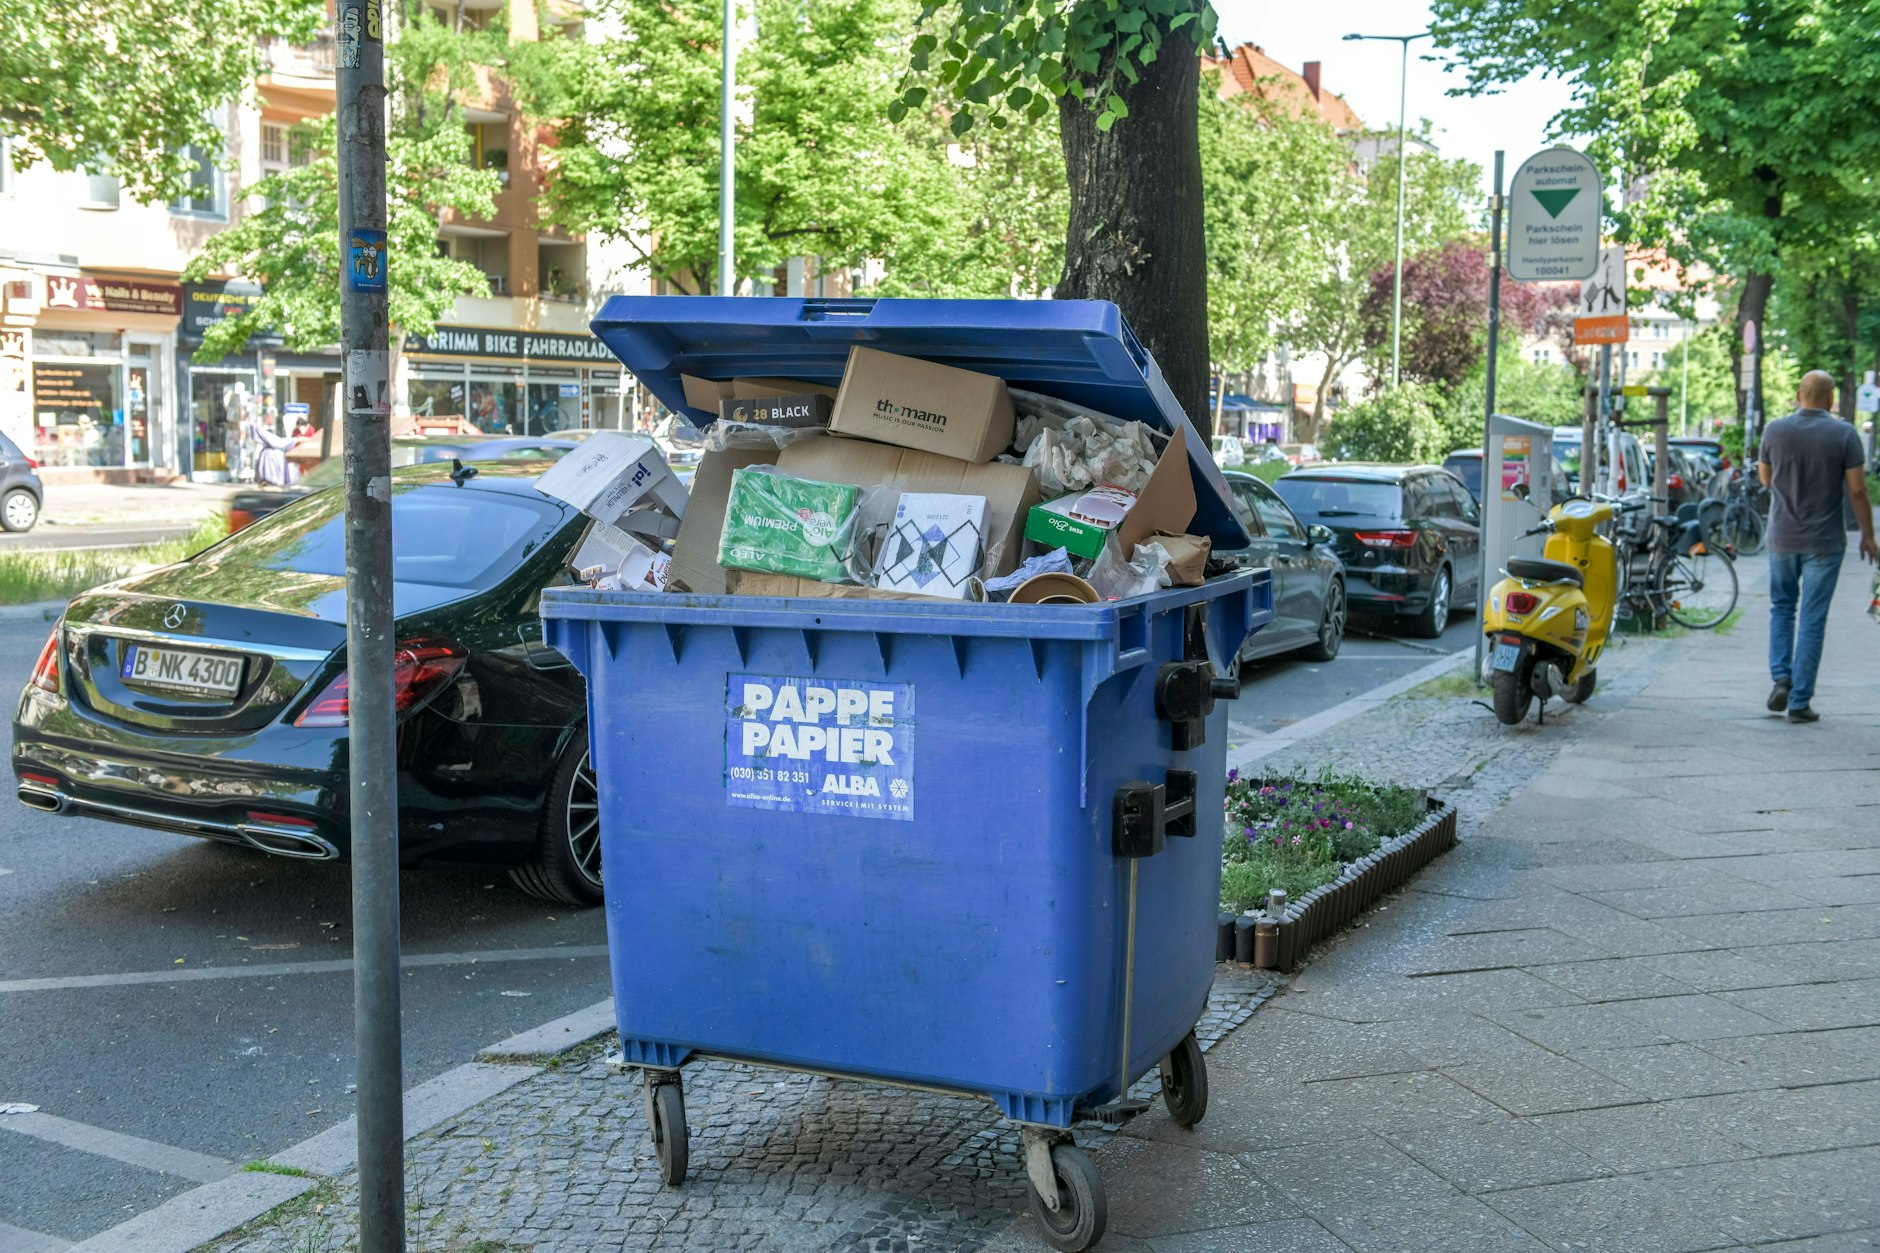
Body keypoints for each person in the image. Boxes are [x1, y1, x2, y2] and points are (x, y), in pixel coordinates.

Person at [1758, 370, 1878, 722]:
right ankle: (1799, 702)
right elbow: (1857, 490)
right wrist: (1868, 536)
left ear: (1798, 394)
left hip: (1781, 537)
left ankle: (1781, 676)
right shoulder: (1844, 433)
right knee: (1812, 618)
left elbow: (1766, 479)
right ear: (1831, 399)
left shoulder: (1774, 430)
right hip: (1824, 541)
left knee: (1781, 607)